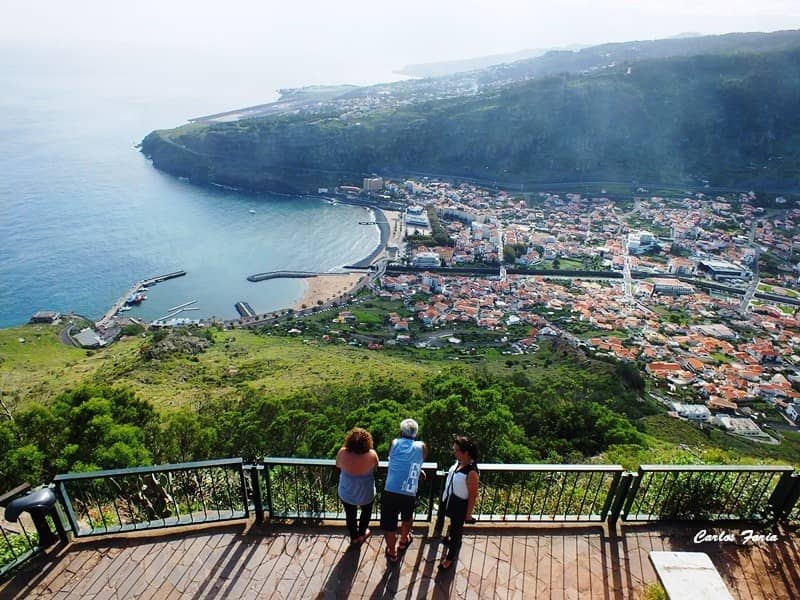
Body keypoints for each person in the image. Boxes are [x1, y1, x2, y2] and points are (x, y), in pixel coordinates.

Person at [381, 418, 427, 563]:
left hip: (391, 489)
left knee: (390, 524)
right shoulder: (422, 446)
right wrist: (419, 470)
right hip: (409, 490)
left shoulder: (394, 443)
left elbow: (394, 458)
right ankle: (403, 541)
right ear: (416, 433)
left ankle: (392, 552)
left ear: (401, 432)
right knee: (407, 517)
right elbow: (418, 460)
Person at [438, 435, 479, 571]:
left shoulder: (471, 473)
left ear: (465, 453)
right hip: (451, 500)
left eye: (456, 450)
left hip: (460, 505)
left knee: (456, 530)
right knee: (454, 526)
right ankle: (453, 541)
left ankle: (450, 558)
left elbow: (473, 495)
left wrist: (468, 514)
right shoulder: (459, 462)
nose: (454, 452)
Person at [336, 427, 379, 545]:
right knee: (366, 514)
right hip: (366, 493)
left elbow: (338, 465)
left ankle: (354, 537)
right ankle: (362, 533)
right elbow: (376, 466)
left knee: (350, 516)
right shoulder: (372, 455)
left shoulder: (342, 453)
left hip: (347, 492)